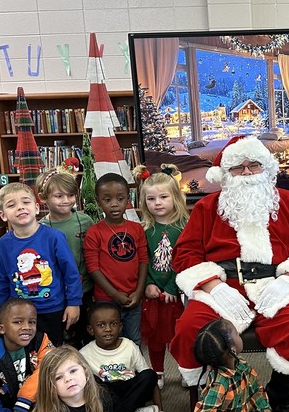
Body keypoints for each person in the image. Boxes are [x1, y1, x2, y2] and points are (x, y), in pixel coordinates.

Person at [169, 136, 289, 412]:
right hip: (222, 285)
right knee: (190, 327)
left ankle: (281, 399)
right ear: (225, 173)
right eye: (238, 167)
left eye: (253, 165)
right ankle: (212, 403)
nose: (246, 172)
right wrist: (213, 286)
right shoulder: (206, 207)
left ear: (266, 168)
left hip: (278, 283)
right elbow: (185, 253)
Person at [0, 182, 81, 346]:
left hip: (53, 309)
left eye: (25, 202)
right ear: (3, 215)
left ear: (36, 208)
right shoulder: (2, 245)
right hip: (19, 314)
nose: (20, 207)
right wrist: (2, 311)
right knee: (25, 352)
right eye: (12, 205)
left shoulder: (54, 237)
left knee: (52, 352)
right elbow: (1, 280)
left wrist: (74, 303)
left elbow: (70, 273)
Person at [136, 165, 189, 388]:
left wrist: (172, 287)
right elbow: (143, 260)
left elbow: (184, 259)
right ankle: (157, 371)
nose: (157, 203)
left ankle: (186, 369)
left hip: (177, 293)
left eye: (163, 197)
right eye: (151, 199)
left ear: (175, 197)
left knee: (179, 335)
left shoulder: (185, 227)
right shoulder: (144, 229)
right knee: (155, 335)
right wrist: (148, 284)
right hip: (153, 294)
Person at [83, 172, 149, 348]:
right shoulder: (94, 232)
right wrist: (115, 294)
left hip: (133, 297)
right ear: (98, 202)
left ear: (128, 199)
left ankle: (135, 367)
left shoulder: (136, 229)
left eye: (120, 199)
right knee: (108, 341)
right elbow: (93, 268)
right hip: (107, 299)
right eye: (107, 199)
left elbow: (143, 261)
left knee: (134, 340)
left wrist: (139, 292)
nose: (114, 204)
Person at [79, 302, 161, 412]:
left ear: (120, 327)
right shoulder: (84, 353)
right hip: (107, 394)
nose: (108, 329)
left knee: (149, 374)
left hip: (131, 391)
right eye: (101, 325)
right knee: (90, 381)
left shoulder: (129, 346)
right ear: (90, 330)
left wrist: (159, 411)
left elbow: (151, 380)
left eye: (113, 324)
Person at [37, 163, 94, 347]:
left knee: (89, 334)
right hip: (58, 294)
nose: (66, 200)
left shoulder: (85, 221)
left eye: (70, 195)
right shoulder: (40, 228)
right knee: (66, 338)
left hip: (86, 289)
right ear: (43, 198)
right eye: (59, 196)